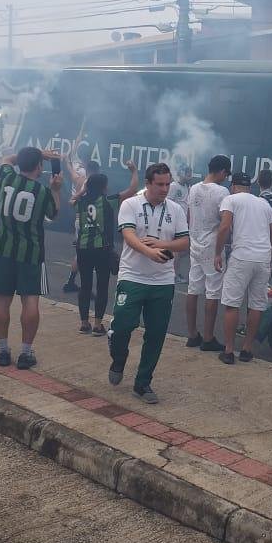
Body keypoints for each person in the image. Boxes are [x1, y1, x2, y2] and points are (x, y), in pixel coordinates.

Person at [108, 162, 189, 404]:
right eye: (160, 184)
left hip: (163, 280)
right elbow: (128, 235)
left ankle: (143, 383)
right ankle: (119, 357)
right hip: (132, 275)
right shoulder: (130, 203)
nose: (165, 189)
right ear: (148, 183)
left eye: (167, 184)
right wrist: (148, 251)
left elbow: (184, 242)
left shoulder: (176, 209)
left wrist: (162, 245)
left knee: (156, 333)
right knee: (123, 326)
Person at [0, 147, 62, 370]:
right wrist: (56, 190)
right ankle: (26, 353)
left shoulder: (7, 177)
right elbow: (54, 213)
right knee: (30, 300)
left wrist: (39, 152)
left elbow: (6, 159)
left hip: (2, 250)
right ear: (39, 166)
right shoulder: (41, 191)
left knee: (1, 300)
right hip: (30, 253)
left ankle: (2, 350)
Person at [214, 172, 272, 364]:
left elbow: (225, 227)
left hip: (242, 256)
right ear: (250, 187)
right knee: (256, 305)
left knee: (232, 304)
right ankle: (247, 349)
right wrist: (271, 257)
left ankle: (228, 351)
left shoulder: (230, 199)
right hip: (263, 257)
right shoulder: (263, 203)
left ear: (233, 186)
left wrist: (217, 253)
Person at [73, 161, 138, 336]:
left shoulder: (80, 201)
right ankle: (97, 324)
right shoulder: (109, 201)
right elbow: (132, 190)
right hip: (102, 249)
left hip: (83, 248)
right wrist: (134, 171)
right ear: (103, 186)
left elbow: (72, 200)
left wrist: (83, 190)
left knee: (85, 285)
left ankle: (83, 323)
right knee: (102, 285)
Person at [184, 155, 232, 351]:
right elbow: (224, 225)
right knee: (212, 292)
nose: (226, 177)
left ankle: (192, 334)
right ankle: (208, 338)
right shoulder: (222, 192)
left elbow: (188, 217)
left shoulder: (193, 188)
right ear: (221, 171)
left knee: (193, 289)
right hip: (213, 246)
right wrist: (219, 251)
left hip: (195, 243)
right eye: (226, 173)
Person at [63, 159, 102, 293]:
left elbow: (71, 173)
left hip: (79, 219)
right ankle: (84, 287)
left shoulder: (80, 180)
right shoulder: (95, 184)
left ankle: (70, 282)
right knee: (87, 254)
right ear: (97, 171)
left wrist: (66, 161)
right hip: (88, 222)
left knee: (80, 254)